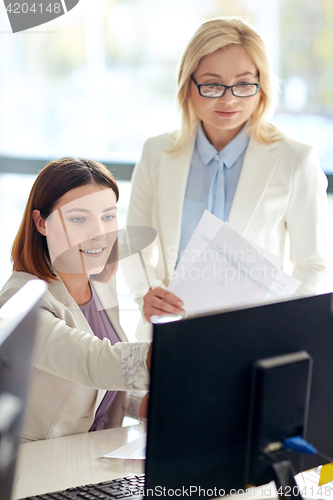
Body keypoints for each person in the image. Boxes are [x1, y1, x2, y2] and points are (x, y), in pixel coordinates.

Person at [124, 16, 330, 335]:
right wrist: (145, 293)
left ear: (261, 86)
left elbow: (314, 264)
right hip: (169, 332)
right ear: (188, 85)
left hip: (254, 337)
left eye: (244, 83)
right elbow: (135, 242)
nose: (229, 99)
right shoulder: (157, 153)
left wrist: (280, 324)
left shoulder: (295, 160)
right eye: (212, 84)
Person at [0, 158, 151, 441]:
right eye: (79, 219)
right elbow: (92, 362)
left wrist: (141, 405)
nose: (99, 233)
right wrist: (177, 349)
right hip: (39, 465)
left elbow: (98, 391)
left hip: (96, 453)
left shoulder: (101, 283)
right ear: (41, 223)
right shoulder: (20, 302)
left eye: (108, 216)